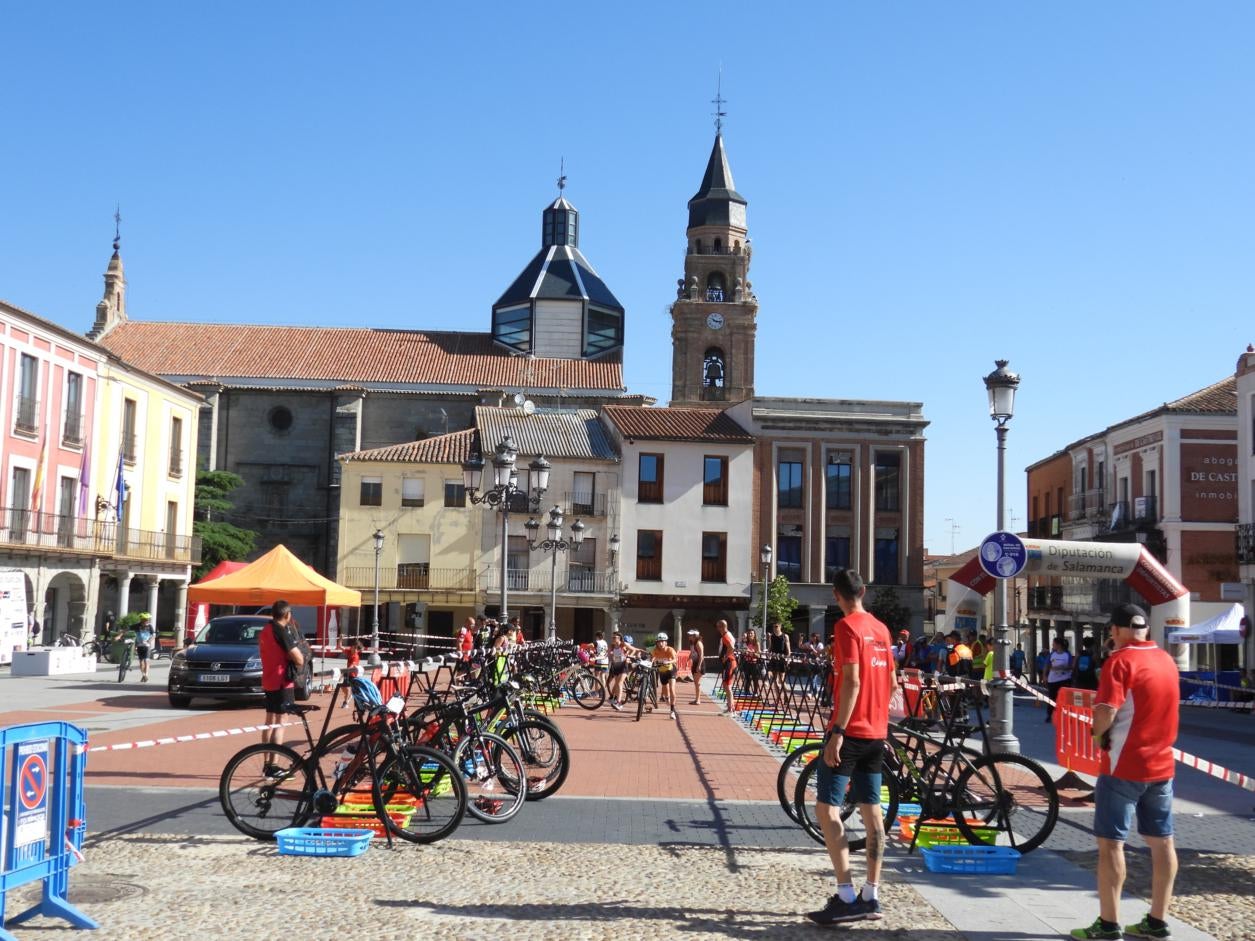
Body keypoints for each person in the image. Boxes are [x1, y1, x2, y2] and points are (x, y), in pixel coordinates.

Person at [1071, 604, 1180, 941]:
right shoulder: (1166, 660)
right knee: (1162, 842)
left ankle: (1108, 923)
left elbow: (1105, 709)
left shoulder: (1119, 661)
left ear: (1115, 631)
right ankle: (1157, 921)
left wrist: (1096, 733)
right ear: (1145, 629)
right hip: (1161, 766)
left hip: (1122, 766)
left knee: (1111, 845)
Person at [807, 569, 896, 926]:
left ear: (836, 595)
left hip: (852, 731)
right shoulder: (881, 628)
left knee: (826, 809)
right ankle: (871, 895)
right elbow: (890, 682)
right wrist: (878, 716)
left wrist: (839, 730)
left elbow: (853, 680)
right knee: (872, 812)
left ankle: (845, 894)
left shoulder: (846, 628)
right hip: (877, 732)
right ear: (864, 591)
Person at [259, 599, 305, 759]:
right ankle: (274, 764)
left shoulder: (266, 630)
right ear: (287, 614)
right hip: (282, 681)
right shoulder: (282, 631)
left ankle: (266, 763)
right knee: (281, 722)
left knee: (270, 720)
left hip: (269, 679)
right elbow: (299, 658)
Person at [1045, 637, 1073, 722]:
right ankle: (1050, 715)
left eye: (1054, 644)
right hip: (1052, 680)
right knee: (1052, 698)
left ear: (1059, 645)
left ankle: (1065, 715)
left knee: (1064, 699)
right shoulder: (1052, 654)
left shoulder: (1067, 654)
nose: (1052, 645)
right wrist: (1044, 676)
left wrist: (1063, 667)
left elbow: (1071, 666)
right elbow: (1047, 665)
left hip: (1064, 679)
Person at [651, 632, 679, 719]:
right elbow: (651, 658)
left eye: (663, 641)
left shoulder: (669, 650)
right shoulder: (655, 650)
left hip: (671, 670)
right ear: (657, 643)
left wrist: (668, 661)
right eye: (659, 642)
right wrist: (650, 662)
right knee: (666, 692)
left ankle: (672, 711)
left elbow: (675, 659)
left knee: (672, 690)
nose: (661, 643)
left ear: (666, 642)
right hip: (662, 672)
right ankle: (666, 697)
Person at [607, 631, 636, 710]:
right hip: (616, 666)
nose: (612, 639)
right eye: (612, 637)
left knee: (619, 683)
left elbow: (633, 650)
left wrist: (628, 656)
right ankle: (613, 698)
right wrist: (610, 654)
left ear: (619, 638)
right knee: (616, 684)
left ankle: (619, 703)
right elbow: (608, 654)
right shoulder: (612, 645)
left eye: (614, 637)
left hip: (624, 666)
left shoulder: (623, 644)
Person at [717, 620, 737, 713]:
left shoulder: (725, 636)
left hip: (729, 662)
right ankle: (730, 705)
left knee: (727, 686)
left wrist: (725, 657)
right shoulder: (727, 635)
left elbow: (731, 648)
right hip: (728, 662)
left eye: (718, 627)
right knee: (725, 685)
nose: (717, 629)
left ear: (722, 626)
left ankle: (731, 708)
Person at [134, 613, 154, 683]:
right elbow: (127, 629)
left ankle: (146, 675)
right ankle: (143, 675)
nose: (147, 621)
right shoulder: (137, 626)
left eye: (148, 620)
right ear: (142, 620)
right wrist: (120, 635)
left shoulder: (150, 626)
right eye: (145, 620)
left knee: (146, 661)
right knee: (141, 662)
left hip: (147, 646)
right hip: (139, 646)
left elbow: (153, 635)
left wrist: (149, 640)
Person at [687, 629, 705, 705]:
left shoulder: (698, 643)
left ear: (695, 636)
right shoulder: (692, 643)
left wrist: (699, 666)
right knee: (695, 682)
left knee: (697, 683)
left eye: (691, 635)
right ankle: (696, 699)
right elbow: (692, 653)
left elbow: (701, 655)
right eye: (689, 635)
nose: (689, 636)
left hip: (699, 663)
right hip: (695, 663)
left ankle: (698, 700)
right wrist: (688, 659)